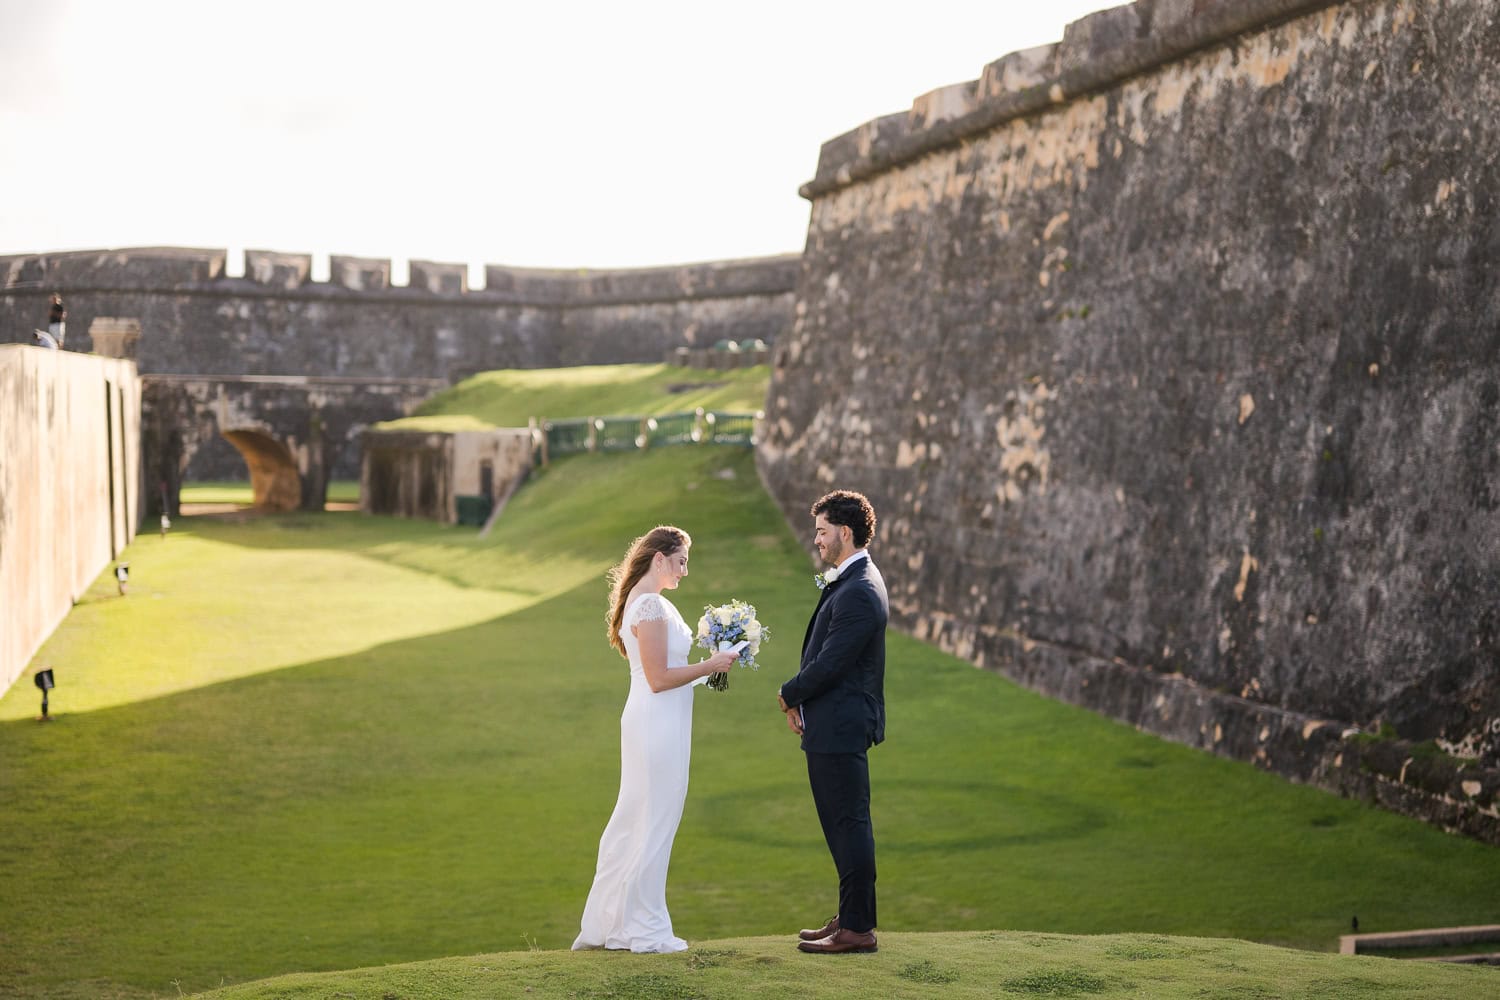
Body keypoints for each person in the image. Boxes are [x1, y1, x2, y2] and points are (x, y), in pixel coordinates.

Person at [573, 525, 740, 953]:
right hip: (655, 724)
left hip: (662, 720)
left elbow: (666, 673)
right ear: (660, 558)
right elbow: (659, 678)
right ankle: (643, 929)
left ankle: (620, 924)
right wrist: (711, 665)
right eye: (681, 561)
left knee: (646, 817)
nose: (685, 571)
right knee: (652, 818)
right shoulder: (648, 606)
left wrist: (713, 661)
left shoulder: (651, 603)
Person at [777, 489, 887, 954]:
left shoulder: (860, 589)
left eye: (822, 532)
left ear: (845, 532)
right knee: (841, 824)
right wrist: (805, 705)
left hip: (841, 725)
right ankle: (851, 915)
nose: (817, 540)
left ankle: (858, 930)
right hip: (831, 720)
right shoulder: (851, 578)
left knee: (849, 823)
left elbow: (831, 663)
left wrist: (789, 694)